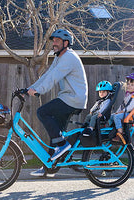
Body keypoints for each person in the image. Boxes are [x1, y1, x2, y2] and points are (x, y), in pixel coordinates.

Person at [27, 29, 88, 176]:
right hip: (68, 97)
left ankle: (62, 144)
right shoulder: (59, 58)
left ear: (66, 43)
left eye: (57, 41)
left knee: (43, 112)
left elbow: (53, 77)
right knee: (56, 133)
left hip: (73, 98)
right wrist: (30, 89)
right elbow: (47, 74)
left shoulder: (69, 57)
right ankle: (49, 167)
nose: (54, 43)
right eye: (53, 41)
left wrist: (39, 91)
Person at [109, 72, 134, 144]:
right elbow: (122, 105)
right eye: (128, 84)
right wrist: (117, 111)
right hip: (125, 112)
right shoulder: (129, 94)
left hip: (130, 114)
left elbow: (130, 107)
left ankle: (120, 133)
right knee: (112, 116)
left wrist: (120, 112)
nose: (129, 86)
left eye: (132, 85)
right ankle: (113, 130)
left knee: (116, 117)